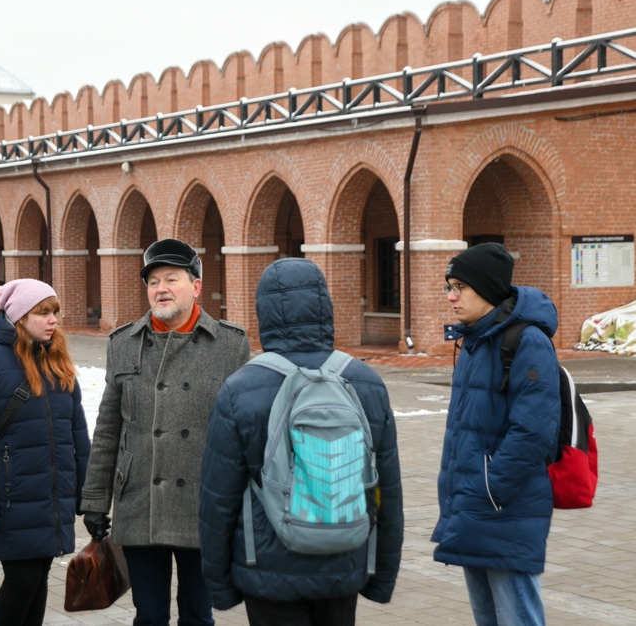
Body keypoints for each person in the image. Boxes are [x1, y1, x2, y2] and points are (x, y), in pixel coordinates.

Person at [198, 258, 404, 626]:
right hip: (345, 560)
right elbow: (385, 489)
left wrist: (220, 585)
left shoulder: (240, 390)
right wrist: (381, 576)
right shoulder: (366, 382)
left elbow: (218, 499)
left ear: (264, 312)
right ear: (325, 306)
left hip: (265, 567)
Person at [80, 238, 251, 626]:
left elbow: (245, 433)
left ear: (196, 286)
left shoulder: (230, 345)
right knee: (150, 615)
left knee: (198, 613)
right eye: (153, 281)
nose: (161, 289)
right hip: (141, 502)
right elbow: (108, 428)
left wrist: (244, 502)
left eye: (171, 279)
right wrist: (95, 500)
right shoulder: (123, 343)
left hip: (203, 505)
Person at [432, 242, 560, 626]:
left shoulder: (526, 341)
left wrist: (490, 488)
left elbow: (534, 432)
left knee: (517, 617)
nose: (451, 297)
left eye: (459, 286)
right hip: (472, 506)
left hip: (503, 509)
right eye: (448, 287)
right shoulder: (473, 340)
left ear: (486, 288)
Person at [0, 279, 90, 626]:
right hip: (10, 498)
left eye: (55, 312)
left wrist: (87, 494)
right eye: (42, 312)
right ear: (18, 316)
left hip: (51, 497)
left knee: (39, 578)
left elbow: (78, 435)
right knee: (22, 580)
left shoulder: (57, 362)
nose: (52, 320)